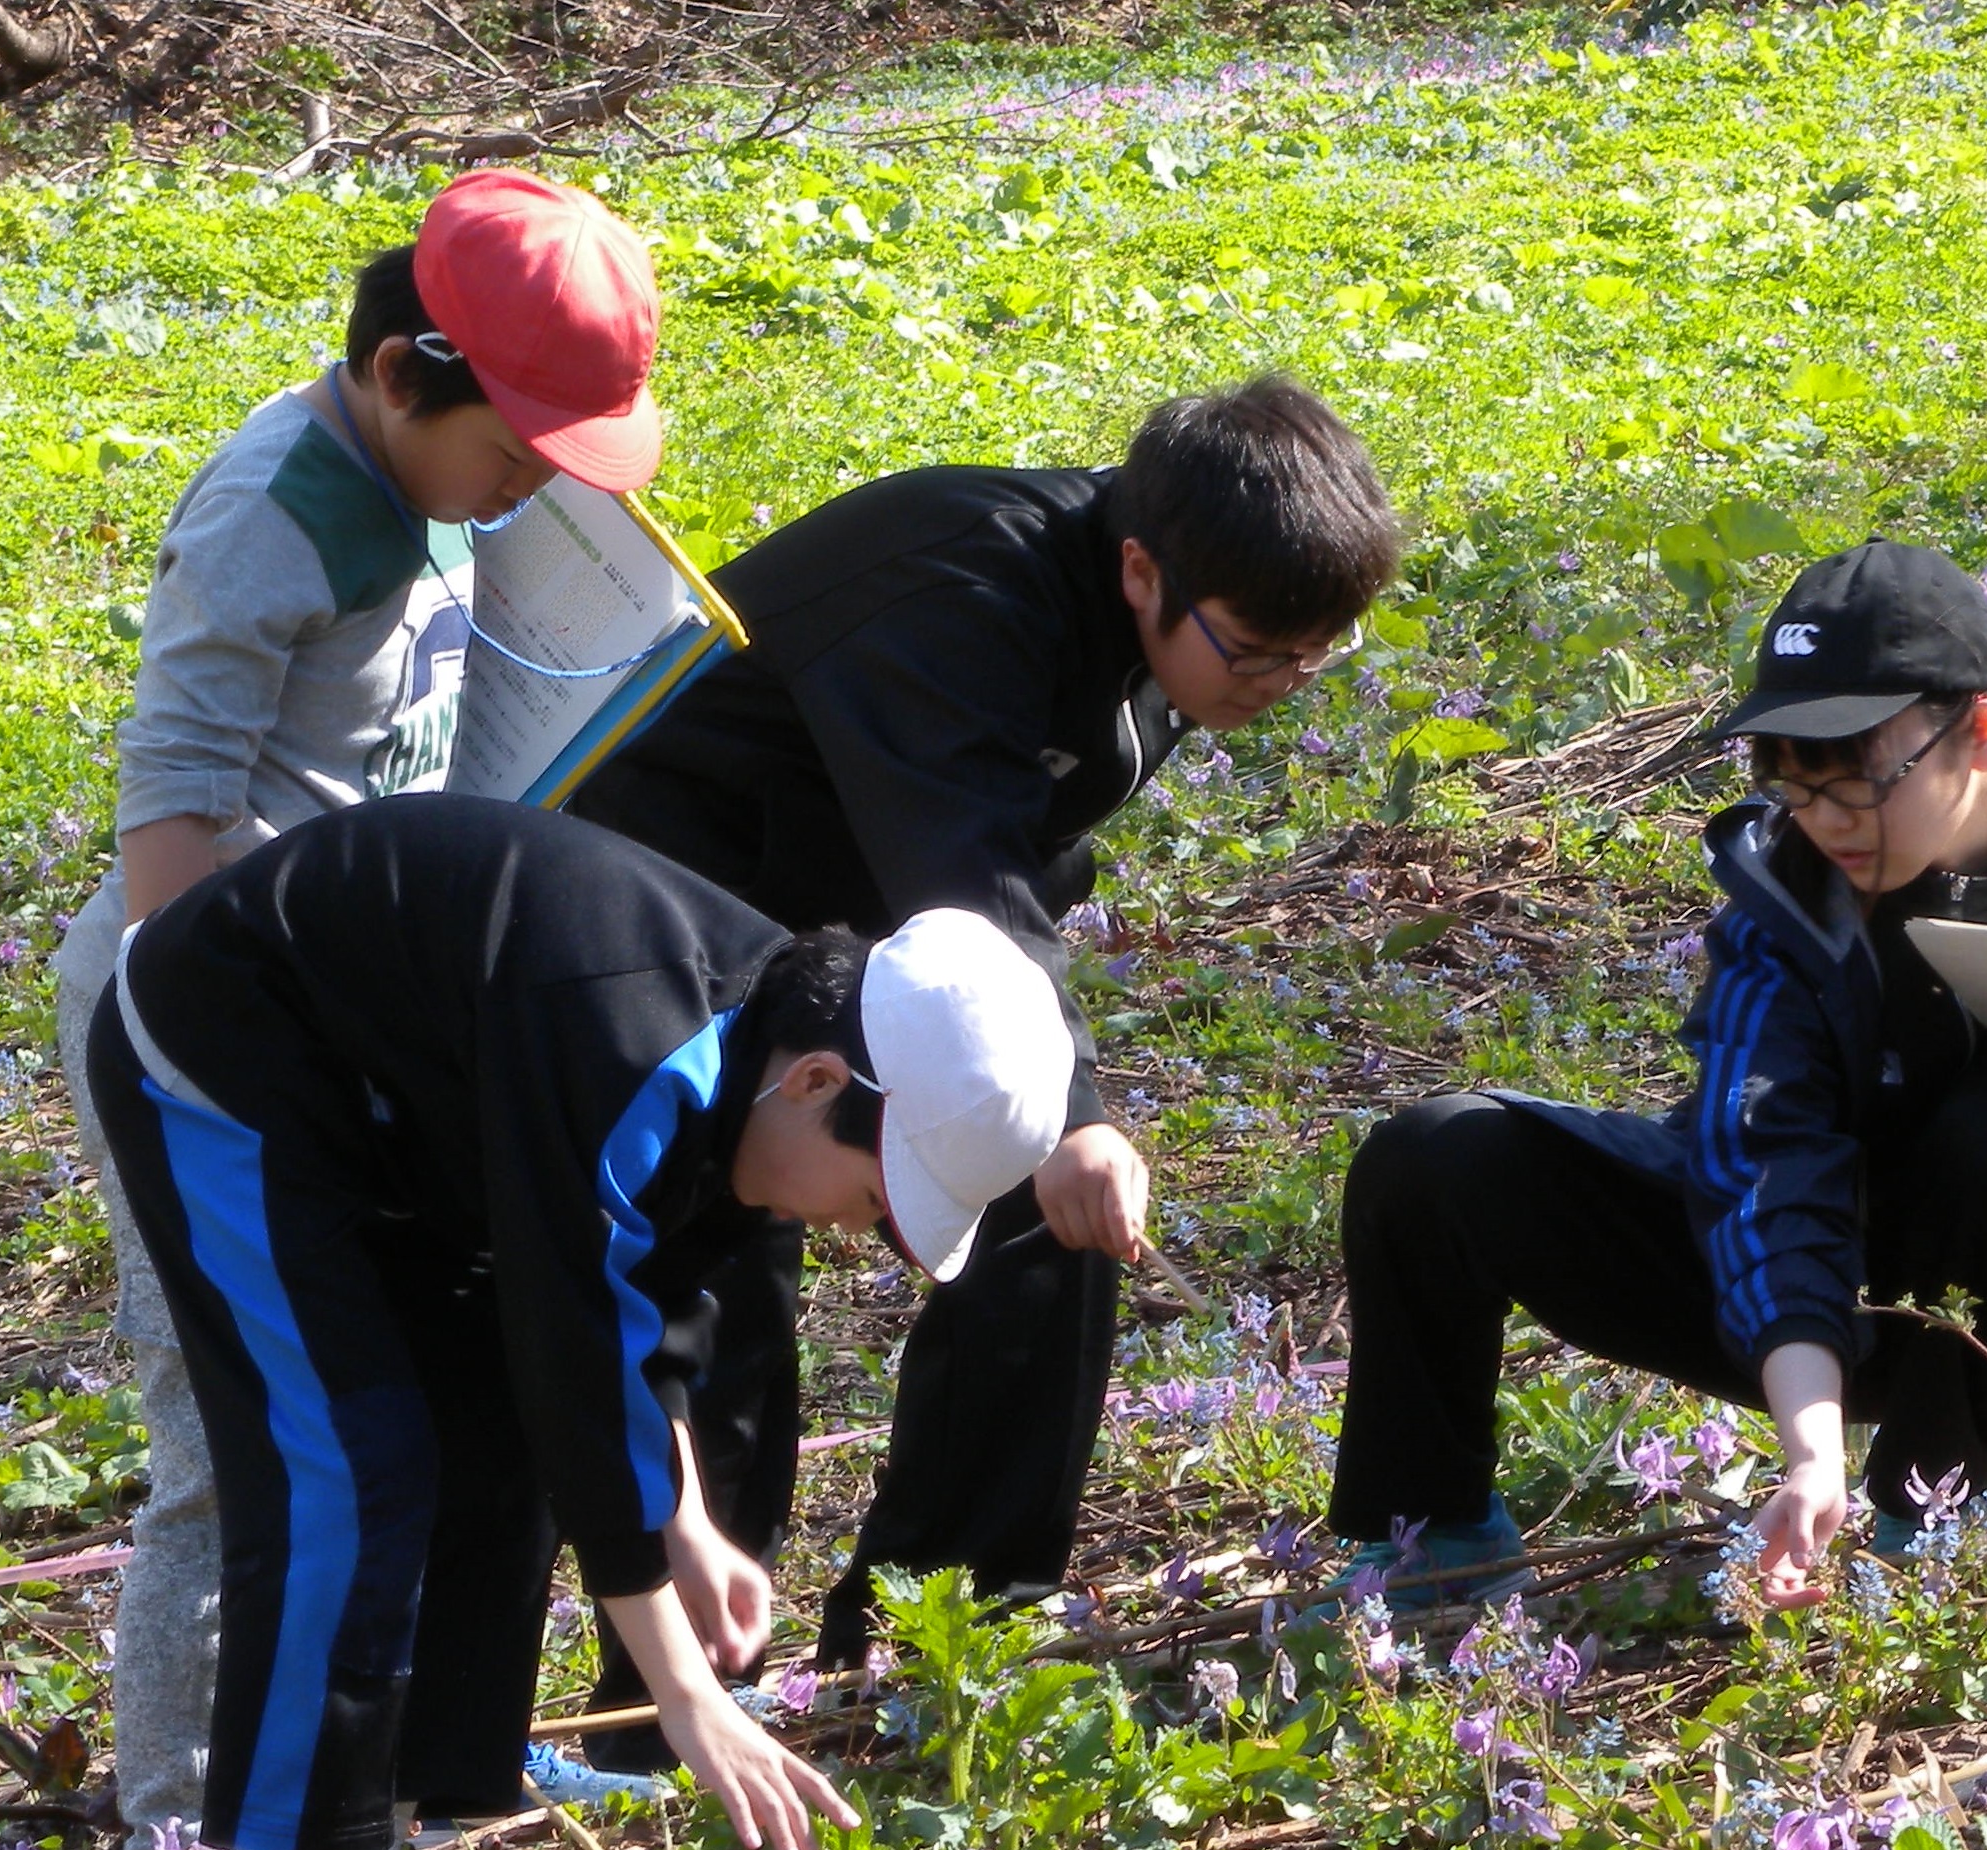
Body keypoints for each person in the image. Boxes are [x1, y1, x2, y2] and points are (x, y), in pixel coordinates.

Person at [85, 792, 1076, 1850]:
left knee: (494, 1453)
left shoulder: (763, 1037)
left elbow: (636, 1307)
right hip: (222, 1059)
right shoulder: (630, 1038)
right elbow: (568, 1346)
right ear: (821, 1082)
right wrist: (683, 1697)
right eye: (879, 1190)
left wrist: (695, 1524)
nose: (861, 1229)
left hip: (400, 1102)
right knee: (346, 1463)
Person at [562, 374, 1402, 1698]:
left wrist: (1063, 1121)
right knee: (727, 1265)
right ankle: (673, 1696)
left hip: (846, 919)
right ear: (1142, 570)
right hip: (664, 911)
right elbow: (962, 876)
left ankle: (948, 1619)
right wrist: (1067, 1110)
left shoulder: (1175, 624)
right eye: (1257, 651)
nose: (1285, 683)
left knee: (1050, 1205)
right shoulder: (958, 596)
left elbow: (1021, 858)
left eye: (1319, 653)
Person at [49, 168, 666, 1850]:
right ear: (405, 374)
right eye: (520, 441)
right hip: (199, 1043)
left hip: (347, 1024)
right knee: (233, 1441)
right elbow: (168, 863)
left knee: (383, 1415)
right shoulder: (269, 521)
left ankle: (345, 1796)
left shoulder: (443, 485)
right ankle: (183, 1847)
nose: (538, 476)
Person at [1323, 540, 1987, 1610]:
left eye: (1853, 781)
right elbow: (1763, 1159)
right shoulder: (1787, 903)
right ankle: (1434, 1537)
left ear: (1980, 732)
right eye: (1793, 784)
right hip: (1811, 1292)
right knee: (1434, 1157)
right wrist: (1810, 1452)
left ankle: (1925, 1519)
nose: (1824, 820)